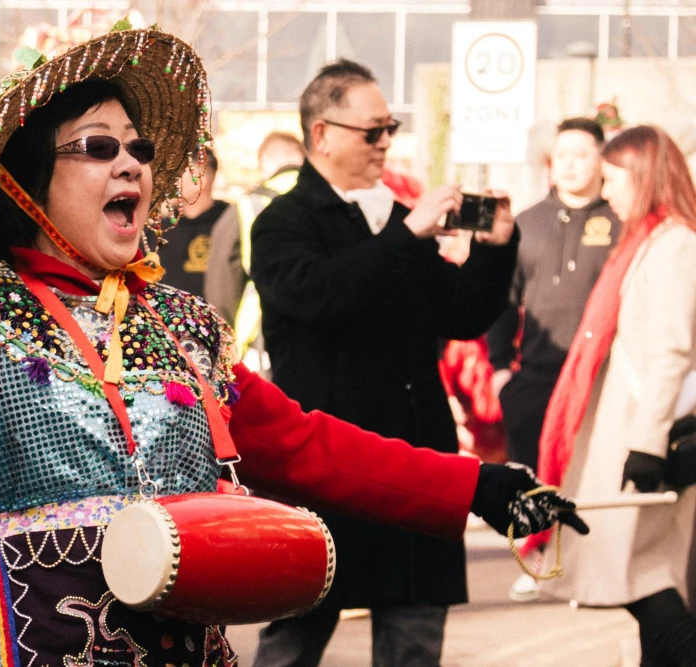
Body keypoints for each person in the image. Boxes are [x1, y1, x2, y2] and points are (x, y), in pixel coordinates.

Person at [0, 29, 581, 667]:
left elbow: (306, 445)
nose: (132, 164)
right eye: (98, 147)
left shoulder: (182, 327)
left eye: (140, 148)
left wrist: (481, 484)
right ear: (24, 183)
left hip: (179, 641)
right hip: (25, 641)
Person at [249, 59, 523, 667]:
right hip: (330, 466)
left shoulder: (397, 219)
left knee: (415, 639)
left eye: (390, 128)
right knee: (293, 637)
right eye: (372, 130)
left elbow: (458, 314)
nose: (385, 142)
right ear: (321, 133)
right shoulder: (282, 222)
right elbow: (320, 297)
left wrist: (494, 251)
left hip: (418, 453)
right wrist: (408, 235)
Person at [530, 125, 696, 667]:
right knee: (639, 575)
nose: (608, 193)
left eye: (615, 180)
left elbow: (672, 350)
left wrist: (648, 445)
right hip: (628, 432)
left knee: (645, 577)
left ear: (645, 179)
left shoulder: (673, 245)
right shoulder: (651, 242)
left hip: (645, 436)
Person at [486, 117, 621, 601]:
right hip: (535, 374)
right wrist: (501, 369)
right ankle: (537, 558)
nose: (569, 164)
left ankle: (590, 567)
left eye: (581, 154)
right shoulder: (528, 222)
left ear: (602, 160)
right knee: (533, 472)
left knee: (590, 468)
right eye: (561, 154)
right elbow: (503, 301)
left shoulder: (618, 219)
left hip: (600, 375)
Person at [205, 132, 304, 371]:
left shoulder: (248, 205)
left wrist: (225, 348)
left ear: (265, 165)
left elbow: (221, 286)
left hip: (262, 347)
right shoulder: (336, 203)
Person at [157, 147, 227, 299]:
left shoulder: (228, 224)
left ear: (200, 178)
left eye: (177, 173)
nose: (169, 181)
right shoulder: (159, 230)